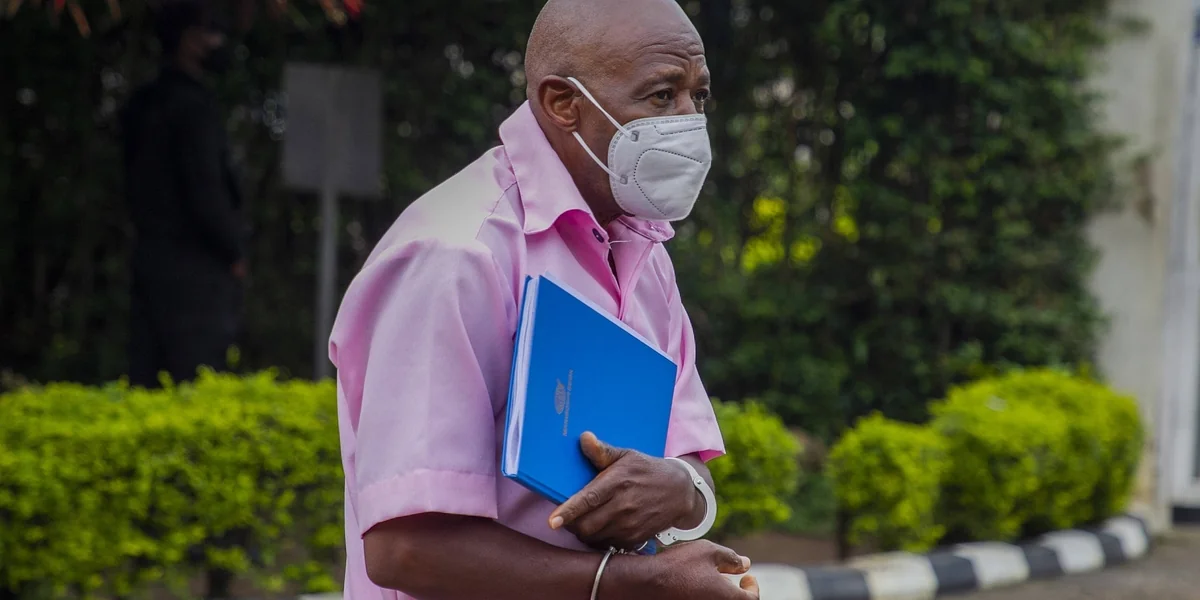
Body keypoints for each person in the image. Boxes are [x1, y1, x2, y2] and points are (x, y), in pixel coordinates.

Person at [328, 0, 760, 598]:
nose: (689, 121)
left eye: (699, 96)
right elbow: (405, 548)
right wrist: (632, 583)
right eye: (662, 96)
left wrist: (682, 488)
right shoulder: (457, 254)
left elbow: (691, 465)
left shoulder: (643, 249)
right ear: (563, 103)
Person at [121, 0, 245, 388]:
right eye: (211, 32)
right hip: (195, 273)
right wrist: (234, 251)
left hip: (150, 260)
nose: (218, 42)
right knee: (196, 379)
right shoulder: (193, 108)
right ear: (189, 39)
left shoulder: (141, 104)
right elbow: (205, 190)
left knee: (146, 381)